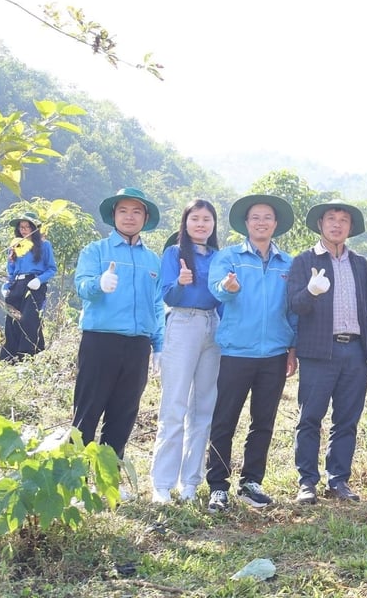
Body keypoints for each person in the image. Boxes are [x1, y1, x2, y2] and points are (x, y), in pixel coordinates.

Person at [206, 194, 298, 513]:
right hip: (236, 351)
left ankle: (251, 482)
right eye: (255, 217)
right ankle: (218, 486)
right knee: (225, 419)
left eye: (267, 217)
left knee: (263, 421)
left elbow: (293, 311)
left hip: (274, 353)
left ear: (276, 224)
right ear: (246, 224)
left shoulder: (288, 263)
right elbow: (216, 286)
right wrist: (227, 289)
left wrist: (292, 348)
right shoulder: (230, 257)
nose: (261, 222)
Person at [288, 200, 367, 504]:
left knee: (347, 420)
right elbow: (294, 306)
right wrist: (311, 291)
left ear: (350, 228)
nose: (337, 224)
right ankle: (307, 482)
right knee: (310, 418)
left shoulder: (360, 264)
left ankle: (338, 480)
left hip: (354, 351)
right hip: (317, 352)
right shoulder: (304, 260)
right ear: (321, 224)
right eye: (331, 219)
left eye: (343, 220)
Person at [72, 188, 165, 466]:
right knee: (87, 412)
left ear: (145, 218)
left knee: (123, 413)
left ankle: (108, 476)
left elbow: (157, 304)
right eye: (123, 210)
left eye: (137, 211)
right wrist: (98, 284)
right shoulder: (95, 251)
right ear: (113, 215)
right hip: (100, 341)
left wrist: (158, 345)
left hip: (138, 345)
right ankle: (76, 477)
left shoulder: (153, 260)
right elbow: (82, 286)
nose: (129, 217)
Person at [150, 199, 222, 504]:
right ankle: (162, 484)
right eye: (195, 219)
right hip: (182, 322)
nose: (201, 224)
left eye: (207, 219)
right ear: (186, 222)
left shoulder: (220, 257)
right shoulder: (174, 253)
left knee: (204, 408)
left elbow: (222, 297)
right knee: (174, 405)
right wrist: (180, 282)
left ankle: (190, 483)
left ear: (214, 225)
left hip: (213, 326)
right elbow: (167, 293)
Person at [1, 211, 57, 362]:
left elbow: (52, 268)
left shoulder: (44, 245)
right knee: (12, 320)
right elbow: (10, 270)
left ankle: (27, 356)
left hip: (34, 284)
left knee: (29, 319)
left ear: (34, 228)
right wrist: (7, 285)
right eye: (21, 227)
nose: (24, 230)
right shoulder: (15, 246)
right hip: (17, 284)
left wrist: (40, 280)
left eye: (27, 227)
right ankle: (8, 357)